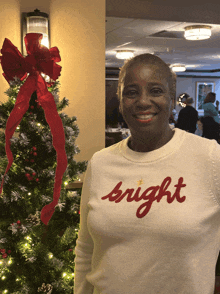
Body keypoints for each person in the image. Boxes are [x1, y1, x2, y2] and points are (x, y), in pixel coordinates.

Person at [74, 53, 220, 294]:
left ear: (172, 100)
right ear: (120, 102)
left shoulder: (210, 158)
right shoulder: (100, 163)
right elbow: (85, 250)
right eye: (131, 92)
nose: (143, 101)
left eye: (155, 91)